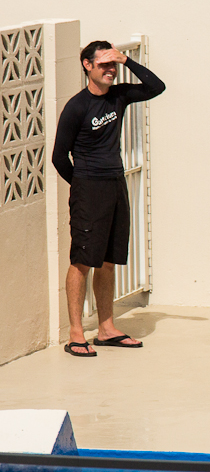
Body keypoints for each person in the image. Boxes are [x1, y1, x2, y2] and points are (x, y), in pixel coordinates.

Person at [52, 41, 165, 357]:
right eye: (104, 64)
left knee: (108, 259)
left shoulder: (119, 96)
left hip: (116, 184)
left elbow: (157, 87)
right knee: (83, 260)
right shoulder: (77, 106)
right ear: (87, 66)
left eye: (113, 65)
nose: (110, 70)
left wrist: (126, 59)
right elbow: (59, 156)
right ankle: (77, 333)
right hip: (89, 189)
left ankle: (106, 328)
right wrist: (82, 186)